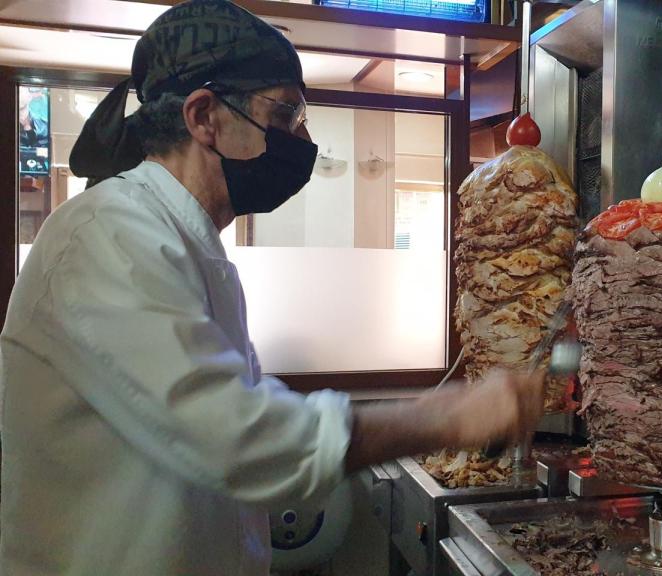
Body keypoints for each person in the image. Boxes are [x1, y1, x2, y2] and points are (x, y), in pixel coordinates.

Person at [0, 1, 544, 575]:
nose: (301, 137)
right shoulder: (107, 235)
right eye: (284, 113)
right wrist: (452, 418)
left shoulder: (189, 245)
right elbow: (240, 441)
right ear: (204, 116)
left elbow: (237, 416)